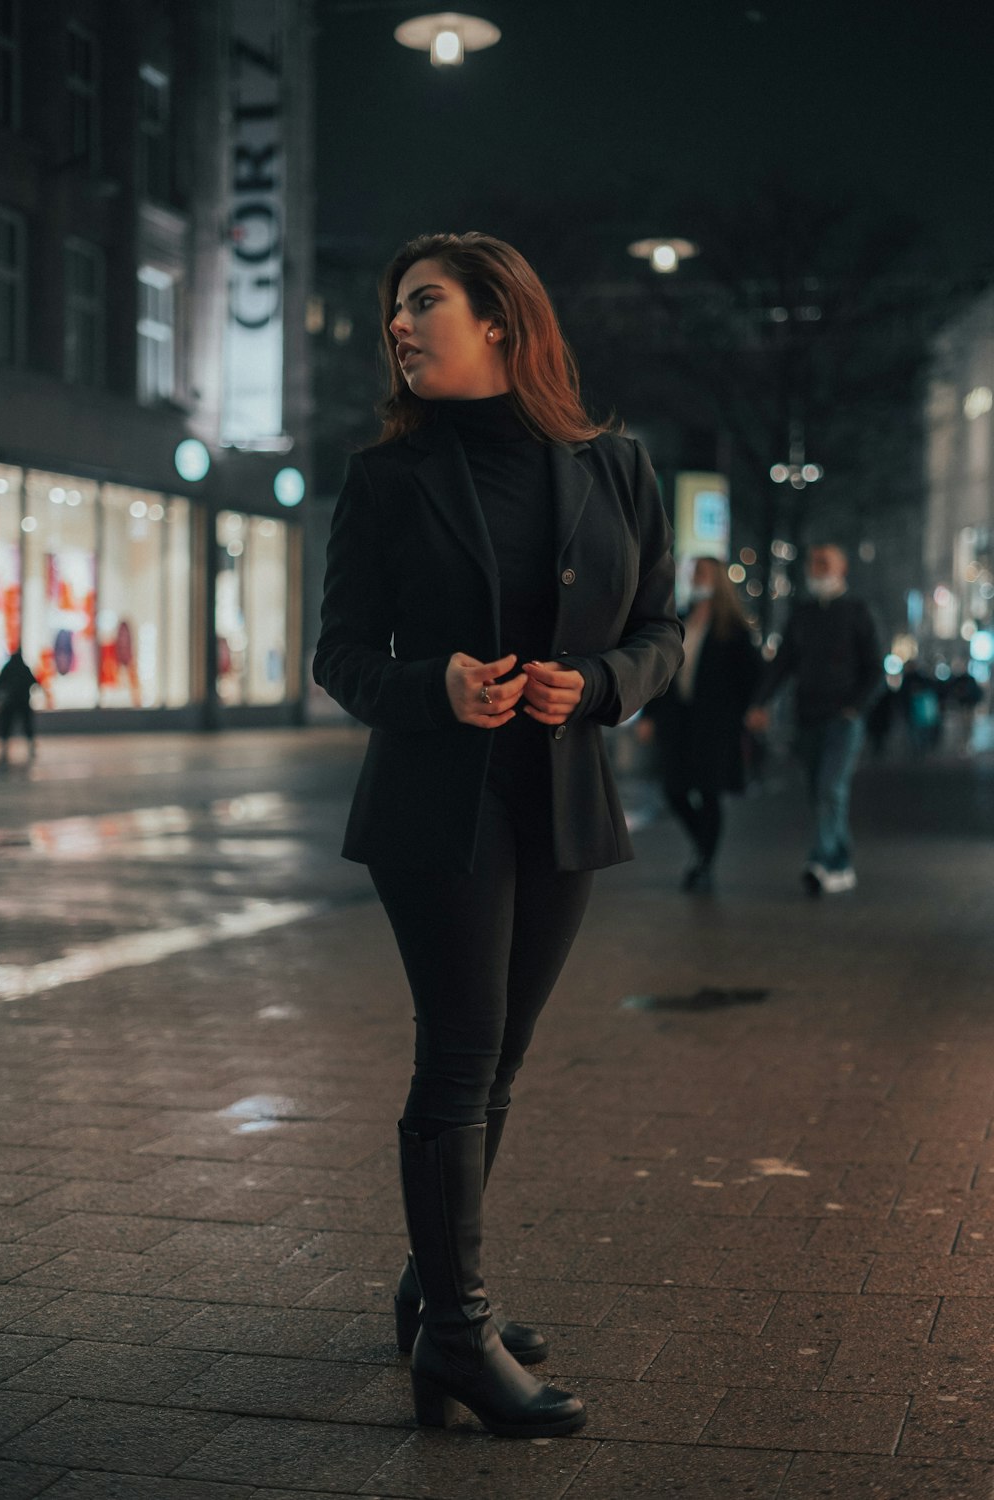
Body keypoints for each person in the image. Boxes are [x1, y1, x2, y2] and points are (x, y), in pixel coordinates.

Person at [312, 232, 683, 1438]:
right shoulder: (387, 478)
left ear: (503, 324)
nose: (400, 328)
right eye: (394, 311)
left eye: (422, 303)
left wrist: (603, 683)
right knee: (460, 1055)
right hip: (438, 804)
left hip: (561, 798)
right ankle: (460, 1339)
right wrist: (438, 688)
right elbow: (343, 657)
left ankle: (434, 1294)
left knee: (502, 1057)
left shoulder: (615, 468)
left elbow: (665, 631)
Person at [745, 543, 880, 895]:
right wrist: (760, 703)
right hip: (807, 718)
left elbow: (874, 668)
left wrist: (854, 706)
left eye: (825, 563)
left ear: (842, 568)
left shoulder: (858, 612)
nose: (817, 569)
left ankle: (819, 862)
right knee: (819, 792)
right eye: (814, 562)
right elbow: (783, 663)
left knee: (829, 788)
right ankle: (841, 862)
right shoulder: (802, 614)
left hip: (842, 720)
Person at [637, 556, 761, 891]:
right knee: (674, 789)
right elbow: (661, 671)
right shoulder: (681, 620)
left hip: (717, 724)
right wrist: (650, 715)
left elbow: (751, 677)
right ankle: (702, 848)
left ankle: (704, 861)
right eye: (694, 573)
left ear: (718, 579)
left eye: (702, 573)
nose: (696, 578)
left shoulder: (733, 628)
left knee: (709, 792)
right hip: (679, 722)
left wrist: (751, 711)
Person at [0, 650, 38, 764]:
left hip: (10, 703)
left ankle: (5, 747)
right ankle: (30, 746)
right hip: (22, 703)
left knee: (7, 725)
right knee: (26, 725)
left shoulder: (8, 668)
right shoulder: (24, 668)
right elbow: (34, 681)